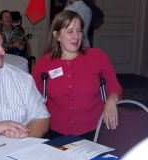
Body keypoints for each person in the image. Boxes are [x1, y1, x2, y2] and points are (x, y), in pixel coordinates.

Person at [31, 10, 122, 141]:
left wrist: (111, 101)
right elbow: (32, 95)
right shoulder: (45, 62)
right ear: (57, 35)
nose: (77, 36)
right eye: (70, 31)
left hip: (94, 129)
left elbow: (114, 86)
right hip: (56, 130)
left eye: (79, 31)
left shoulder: (97, 56)